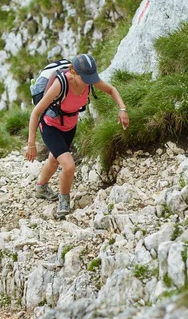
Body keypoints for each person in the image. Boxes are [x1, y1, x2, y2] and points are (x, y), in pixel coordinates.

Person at [25, 54, 129, 218]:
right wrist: (31, 143)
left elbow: (111, 90)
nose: (89, 81)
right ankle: (64, 204)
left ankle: (41, 187)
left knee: (54, 160)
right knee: (69, 166)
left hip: (69, 125)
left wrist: (122, 109)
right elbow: (36, 112)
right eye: (86, 78)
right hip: (50, 125)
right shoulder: (61, 84)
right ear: (73, 72)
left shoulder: (88, 78)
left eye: (91, 77)